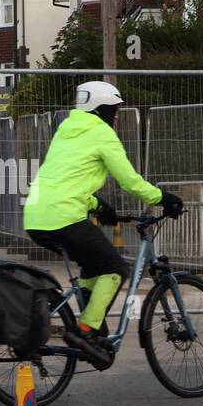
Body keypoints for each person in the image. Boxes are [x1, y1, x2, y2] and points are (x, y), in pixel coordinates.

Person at [23, 80, 183, 366]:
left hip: (36, 215)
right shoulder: (101, 133)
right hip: (64, 216)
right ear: (102, 109)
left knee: (93, 264)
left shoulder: (66, 129)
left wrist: (99, 206)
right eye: (114, 110)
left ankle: (88, 326)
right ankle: (85, 332)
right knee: (115, 268)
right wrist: (164, 198)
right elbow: (130, 181)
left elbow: (66, 179)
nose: (116, 116)